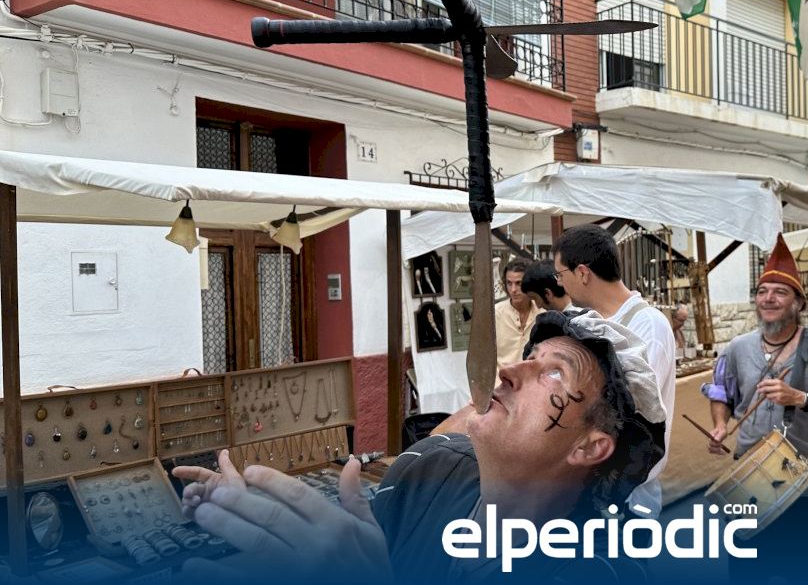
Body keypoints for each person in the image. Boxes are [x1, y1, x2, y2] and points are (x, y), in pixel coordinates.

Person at [172, 310, 668, 582]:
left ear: (589, 447)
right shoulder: (429, 469)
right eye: (529, 356)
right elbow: (351, 545)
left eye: (553, 373)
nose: (508, 371)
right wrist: (263, 518)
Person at [703, 234, 808, 584]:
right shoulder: (738, 347)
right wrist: (719, 426)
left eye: (780, 292)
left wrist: (800, 398)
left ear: (798, 303)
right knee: (747, 576)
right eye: (763, 291)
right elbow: (721, 393)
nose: (769, 298)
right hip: (750, 482)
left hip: (806, 482)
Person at [552, 224, 675, 519]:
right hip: (584, 487)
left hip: (628, 497)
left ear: (582, 273)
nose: (560, 284)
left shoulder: (648, 325)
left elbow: (628, 410)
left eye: (560, 274)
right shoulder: (583, 321)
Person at [495, 258, 543, 368]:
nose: (513, 290)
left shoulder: (543, 313)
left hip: (533, 377)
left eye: (518, 283)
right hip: (502, 377)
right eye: (509, 283)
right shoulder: (495, 314)